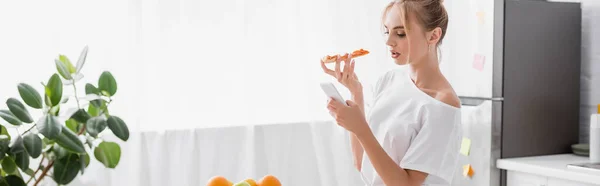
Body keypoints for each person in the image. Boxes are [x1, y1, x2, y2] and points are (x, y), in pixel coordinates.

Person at [320, 0, 462, 185]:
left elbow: (407, 184)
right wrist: (356, 93)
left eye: (401, 34)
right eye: (387, 31)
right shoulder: (388, 81)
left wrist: (361, 128)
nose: (388, 42)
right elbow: (361, 163)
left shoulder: (443, 105)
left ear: (433, 35)